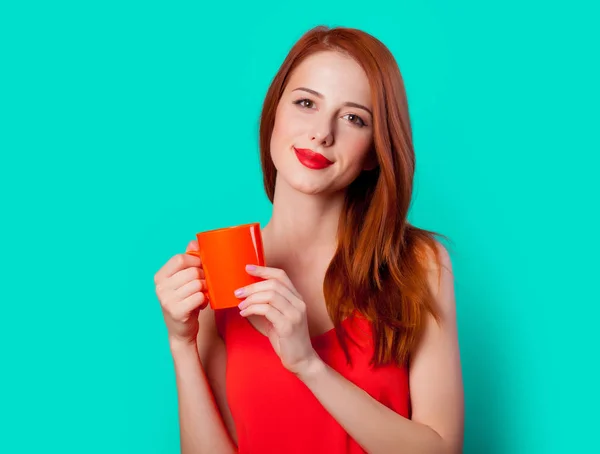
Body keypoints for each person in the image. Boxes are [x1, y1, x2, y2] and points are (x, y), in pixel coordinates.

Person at [153, 25, 464, 454]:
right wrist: (181, 346)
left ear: (375, 150)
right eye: (305, 103)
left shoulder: (418, 264)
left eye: (353, 118)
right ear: (274, 113)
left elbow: (441, 450)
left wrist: (308, 365)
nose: (322, 132)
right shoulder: (219, 265)